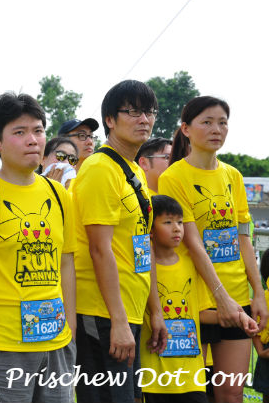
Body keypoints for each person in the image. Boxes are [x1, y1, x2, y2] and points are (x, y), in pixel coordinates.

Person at [0, 93, 76, 403]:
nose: (32, 140)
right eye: (19, 132)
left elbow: (66, 265)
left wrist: (71, 333)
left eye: (38, 130)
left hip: (56, 343)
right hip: (1, 346)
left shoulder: (59, 195)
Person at [159, 96, 267, 403]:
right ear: (186, 129)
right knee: (193, 393)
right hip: (195, 301)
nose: (216, 129)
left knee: (232, 392)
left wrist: (258, 294)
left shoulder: (233, 176)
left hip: (237, 297)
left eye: (222, 122)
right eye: (206, 122)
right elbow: (192, 243)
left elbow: (243, 237)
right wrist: (220, 298)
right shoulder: (173, 177)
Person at [72, 80, 166, 403]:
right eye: (134, 112)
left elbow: (142, 245)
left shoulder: (133, 171)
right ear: (110, 120)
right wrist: (118, 320)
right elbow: (99, 249)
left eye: (150, 112)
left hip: (129, 311)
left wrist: (155, 311)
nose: (145, 119)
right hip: (102, 314)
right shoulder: (100, 169)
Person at [140, 195, 211, 403]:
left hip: (191, 379)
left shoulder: (191, 263)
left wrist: (239, 316)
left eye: (180, 222)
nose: (177, 228)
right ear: (150, 230)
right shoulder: (142, 269)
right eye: (168, 222)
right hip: (154, 378)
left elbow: (200, 312)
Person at [252, 250, 269, 403]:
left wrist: (261, 351)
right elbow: (255, 328)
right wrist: (261, 352)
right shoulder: (263, 299)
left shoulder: (263, 298)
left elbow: (255, 329)